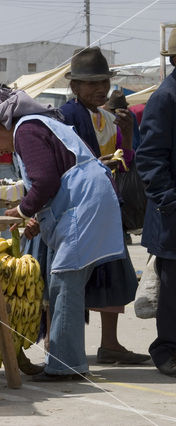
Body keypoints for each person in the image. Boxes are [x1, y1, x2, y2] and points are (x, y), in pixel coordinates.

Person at [0, 88, 126, 381]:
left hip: (86, 204)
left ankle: (65, 367)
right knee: (64, 281)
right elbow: (55, 176)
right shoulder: (35, 125)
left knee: (65, 280)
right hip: (86, 202)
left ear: (0, 126)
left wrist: (22, 210)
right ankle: (68, 361)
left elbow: (45, 182)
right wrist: (38, 217)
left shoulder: (25, 130)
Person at [60, 47, 148, 365]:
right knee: (73, 285)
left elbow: (125, 164)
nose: (100, 89)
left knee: (112, 276)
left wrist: (126, 135)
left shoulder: (109, 119)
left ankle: (110, 344)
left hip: (107, 208)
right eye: (91, 83)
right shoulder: (66, 118)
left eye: (104, 83)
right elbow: (65, 165)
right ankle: (65, 350)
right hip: (79, 211)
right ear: (74, 87)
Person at [135, 28, 176, 378]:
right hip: (172, 216)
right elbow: (148, 158)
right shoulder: (166, 97)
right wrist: (169, 199)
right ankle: (167, 351)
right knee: (174, 290)